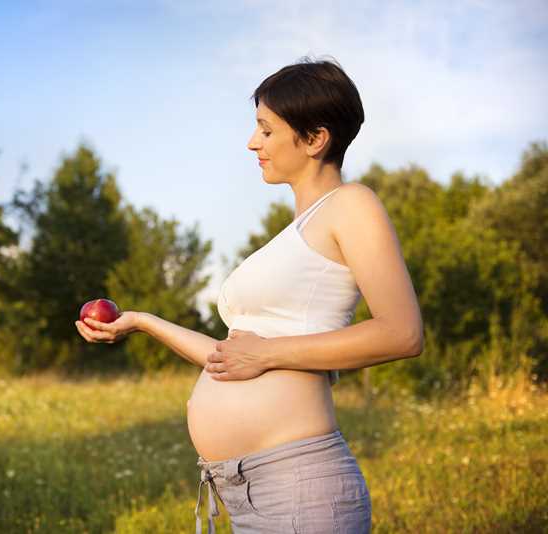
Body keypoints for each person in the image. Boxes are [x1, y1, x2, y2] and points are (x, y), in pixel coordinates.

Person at [75, 55, 423, 533]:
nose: (252, 142)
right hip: (243, 491)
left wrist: (266, 355)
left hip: (297, 486)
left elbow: (402, 333)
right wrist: (140, 320)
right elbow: (234, 357)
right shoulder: (295, 233)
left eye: (266, 129)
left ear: (316, 138)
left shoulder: (352, 205)